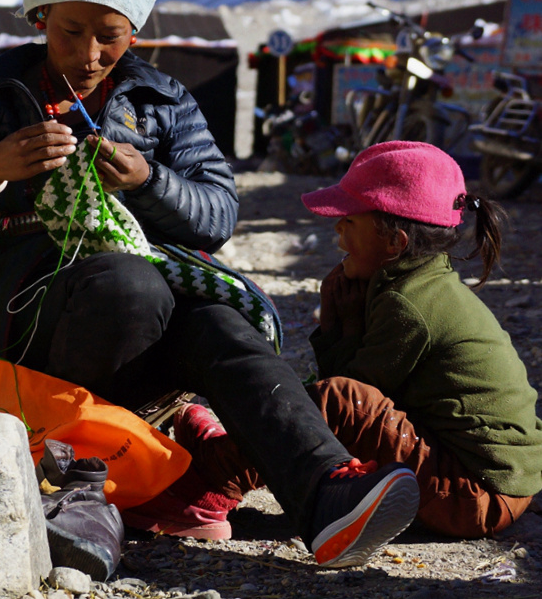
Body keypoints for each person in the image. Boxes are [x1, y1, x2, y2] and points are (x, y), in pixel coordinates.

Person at [0, 0, 419, 571]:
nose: (90, 53)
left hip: (140, 311)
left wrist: (148, 182)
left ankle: (326, 494)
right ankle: (87, 469)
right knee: (131, 284)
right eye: (71, 31)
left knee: (218, 322)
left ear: (137, 33)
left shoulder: (163, 101)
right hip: (18, 321)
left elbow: (217, 215)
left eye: (111, 35)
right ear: (40, 17)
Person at [175, 140, 542, 540]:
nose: (337, 229)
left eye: (349, 221)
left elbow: (344, 410)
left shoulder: (408, 304)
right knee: (337, 398)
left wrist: (341, 329)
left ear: (395, 243)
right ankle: (230, 450)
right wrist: (347, 326)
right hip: (492, 480)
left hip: (476, 496)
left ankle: (208, 483)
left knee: (340, 399)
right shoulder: (416, 282)